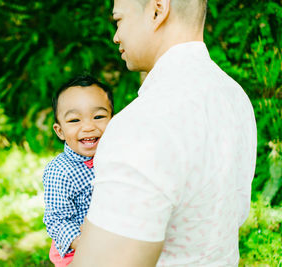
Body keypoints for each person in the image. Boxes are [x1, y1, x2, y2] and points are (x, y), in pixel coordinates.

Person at [70, 0, 257, 266]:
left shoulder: (142, 124)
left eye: (119, 20)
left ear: (157, 10)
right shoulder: (234, 97)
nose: (115, 36)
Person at [43, 74, 114, 267]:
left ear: (113, 121)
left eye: (98, 116)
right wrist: (87, 246)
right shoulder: (60, 171)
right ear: (60, 131)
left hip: (114, 241)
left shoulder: (117, 158)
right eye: (74, 120)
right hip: (79, 251)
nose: (89, 126)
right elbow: (57, 220)